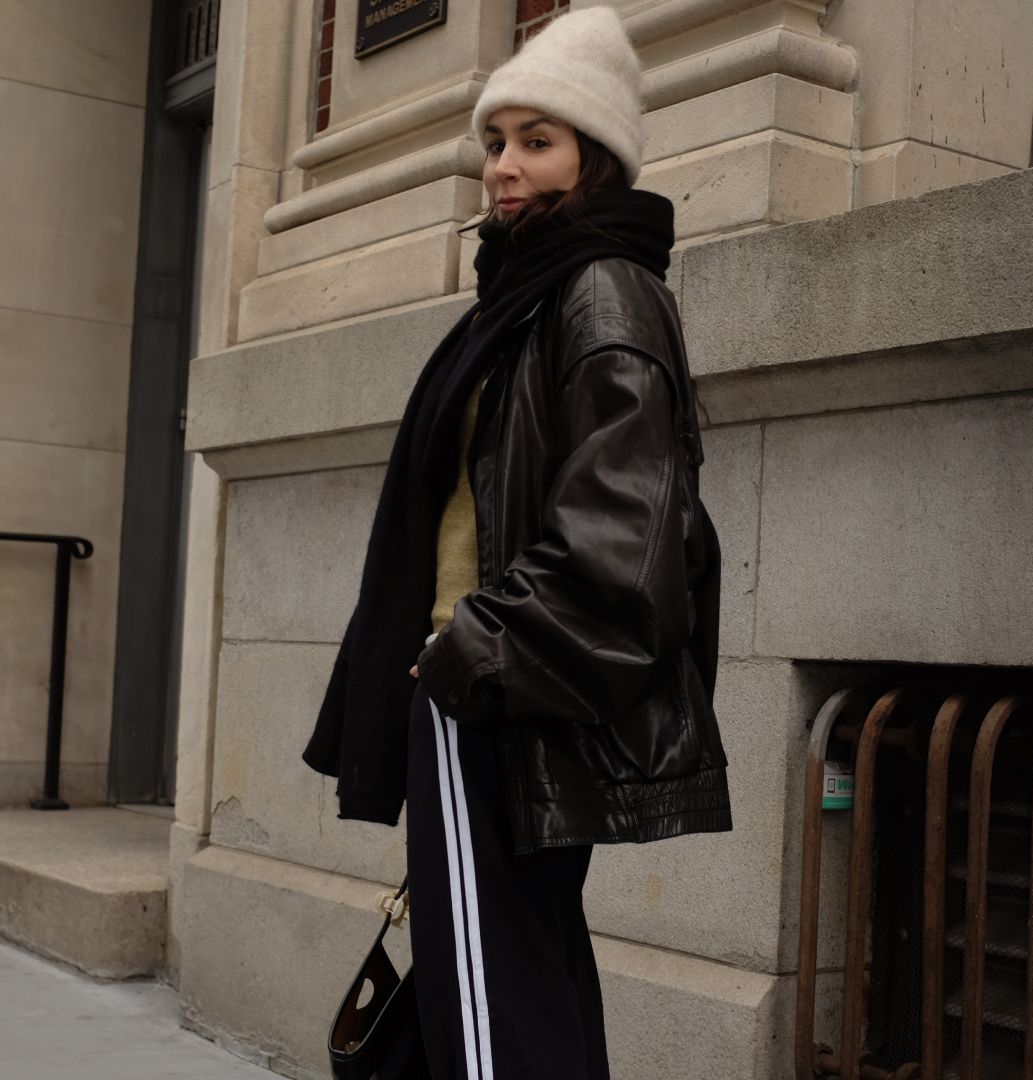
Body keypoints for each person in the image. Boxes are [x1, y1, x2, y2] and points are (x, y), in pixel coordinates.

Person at [302, 7, 732, 1078]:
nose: (503, 167)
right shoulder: (530, 297)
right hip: (493, 684)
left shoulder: (599, 294)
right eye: (497, 141)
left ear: (596, 161)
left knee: (496, 1003)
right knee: (511, 980)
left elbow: (625, 545)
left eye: (538, 142)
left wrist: (463, 657)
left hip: (494, 692)